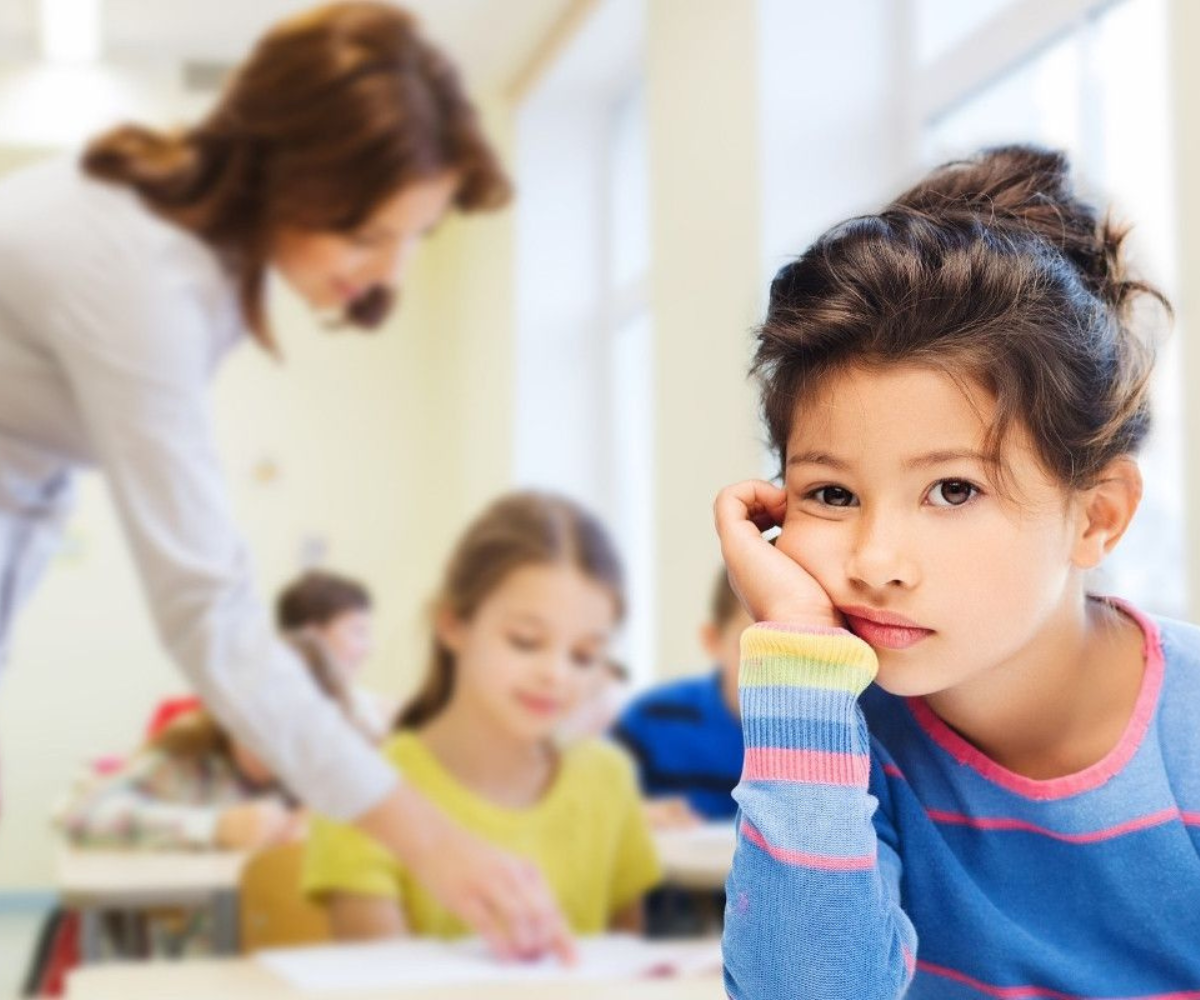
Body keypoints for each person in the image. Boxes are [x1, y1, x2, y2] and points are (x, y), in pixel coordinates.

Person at [0, 1, 568, 959]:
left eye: (413, 236)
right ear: (285, 173)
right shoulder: (140, 274)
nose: (386, 269)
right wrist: (431, 842)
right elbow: (208, 615)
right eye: (366, 233)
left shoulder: (188, 264)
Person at [715, 146, 1200, 997]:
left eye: (951, 489)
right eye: (831, 492)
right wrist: (795, 653)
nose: (875, 563)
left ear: (1097, 515)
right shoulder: (839, 733)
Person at [303, 491, 662, 940]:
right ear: (453, 624)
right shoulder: (364, 790)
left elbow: (628, 971)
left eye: (584, 655)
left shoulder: (607, 778)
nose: (555, 674)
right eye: (525, 641)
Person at [56, 633, 356, 852]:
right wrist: (213, 826)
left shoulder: (331, 773)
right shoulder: (187, 757)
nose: (270, 740)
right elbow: (77, 814)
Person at [613, 568, 751, 827]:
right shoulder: (653, 717)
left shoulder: (828, 735)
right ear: (713, 640)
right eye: (753, 645)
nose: (775, 666)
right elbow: (593, 808)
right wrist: (634, 816)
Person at [277, 569, 389, 740]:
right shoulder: (277, 712)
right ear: (313, 636)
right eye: (358, 632)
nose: (369, 648)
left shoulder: (371, 710)